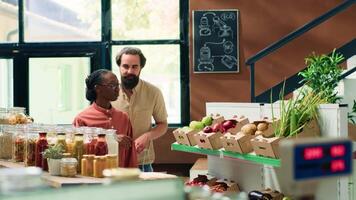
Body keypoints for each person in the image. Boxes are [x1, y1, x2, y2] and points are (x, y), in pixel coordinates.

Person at [112, 47, 168, 172]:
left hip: (142, 163)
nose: (129, 71)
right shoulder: (108, 92)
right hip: (112, 161)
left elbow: (162, 124)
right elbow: (96, 126)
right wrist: (114, 137)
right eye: (125, 66)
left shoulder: (154, 92)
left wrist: (147, 136)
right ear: (119, 67)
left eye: (134, 67)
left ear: (140, 68)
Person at [73, 69, 137, 168]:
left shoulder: (123, 117)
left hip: (120, 178)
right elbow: (79, 152)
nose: (117, 89)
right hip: (93, 176)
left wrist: (132, 177)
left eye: (118, 85)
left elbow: (130, 154)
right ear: (98, 88)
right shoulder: (82, 119)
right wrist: (112, 139)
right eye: (112, 85)